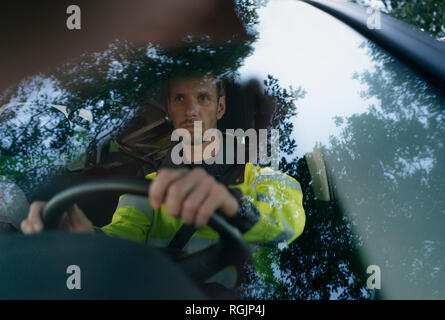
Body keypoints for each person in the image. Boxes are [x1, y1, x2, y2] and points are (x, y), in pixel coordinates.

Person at [21, 73, 306, 295]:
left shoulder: (263, 178)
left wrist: (233, 206)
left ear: (220, 107)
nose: (191, 109)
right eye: (180, 98)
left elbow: (286, 222)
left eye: (203, 97)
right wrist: (87, 239)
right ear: (169, 109)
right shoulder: (148, 185)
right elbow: (124, 234)